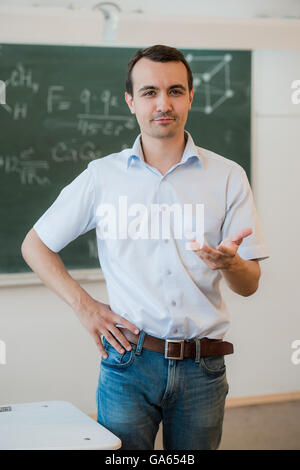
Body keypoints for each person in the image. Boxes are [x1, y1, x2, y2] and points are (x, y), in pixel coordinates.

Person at [21, 44, 269, 450]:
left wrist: (230, 263)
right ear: (131, 101)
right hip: (128, 364)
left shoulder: (228, 176)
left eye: (175, 90)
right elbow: (35, 245)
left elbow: (249, 285)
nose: (163, 103)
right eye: (150, 92)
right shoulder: (102, 176)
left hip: (202, 367)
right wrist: (87, 308)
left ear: (191, 96)